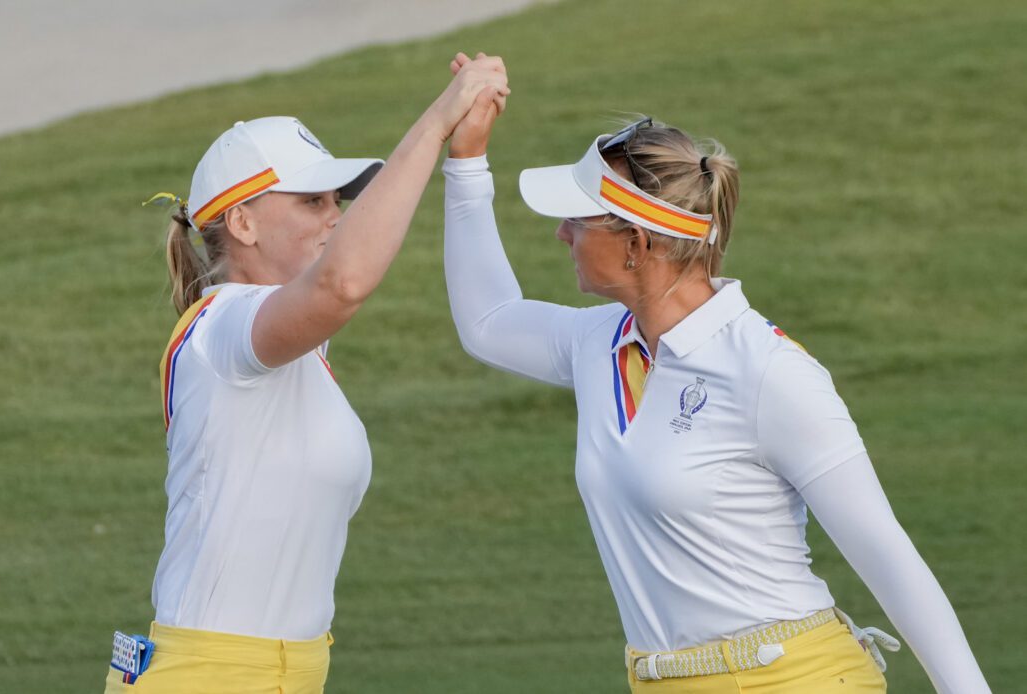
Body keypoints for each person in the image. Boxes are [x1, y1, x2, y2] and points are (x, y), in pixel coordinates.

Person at [441, 62, 990, 692]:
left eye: (580, 220)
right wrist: (466, 160)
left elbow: (888, 557)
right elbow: (488, 321)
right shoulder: (601, 345)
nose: (562, 234)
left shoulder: (769, 372)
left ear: (637, 244)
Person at [103, 54, 508, 693]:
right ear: (242, 223)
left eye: (336, 200)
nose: (335, 216)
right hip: (211, 676)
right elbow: (343, 283)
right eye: (313, 200)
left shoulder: (296, 351)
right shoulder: (225, 324)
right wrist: (434, 126)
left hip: (282, 672)